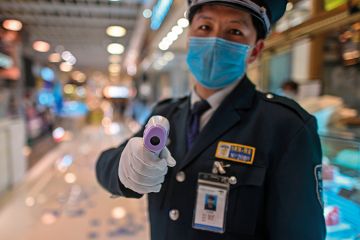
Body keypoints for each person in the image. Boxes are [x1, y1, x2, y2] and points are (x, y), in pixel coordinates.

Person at [96, 0, 326, 239]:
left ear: (255, 51)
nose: (216, 41)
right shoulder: (166, 115)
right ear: (189, 39)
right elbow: (104, 164)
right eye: (205, 27)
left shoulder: (286, 127)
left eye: (234, 31)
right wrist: (125, 168)